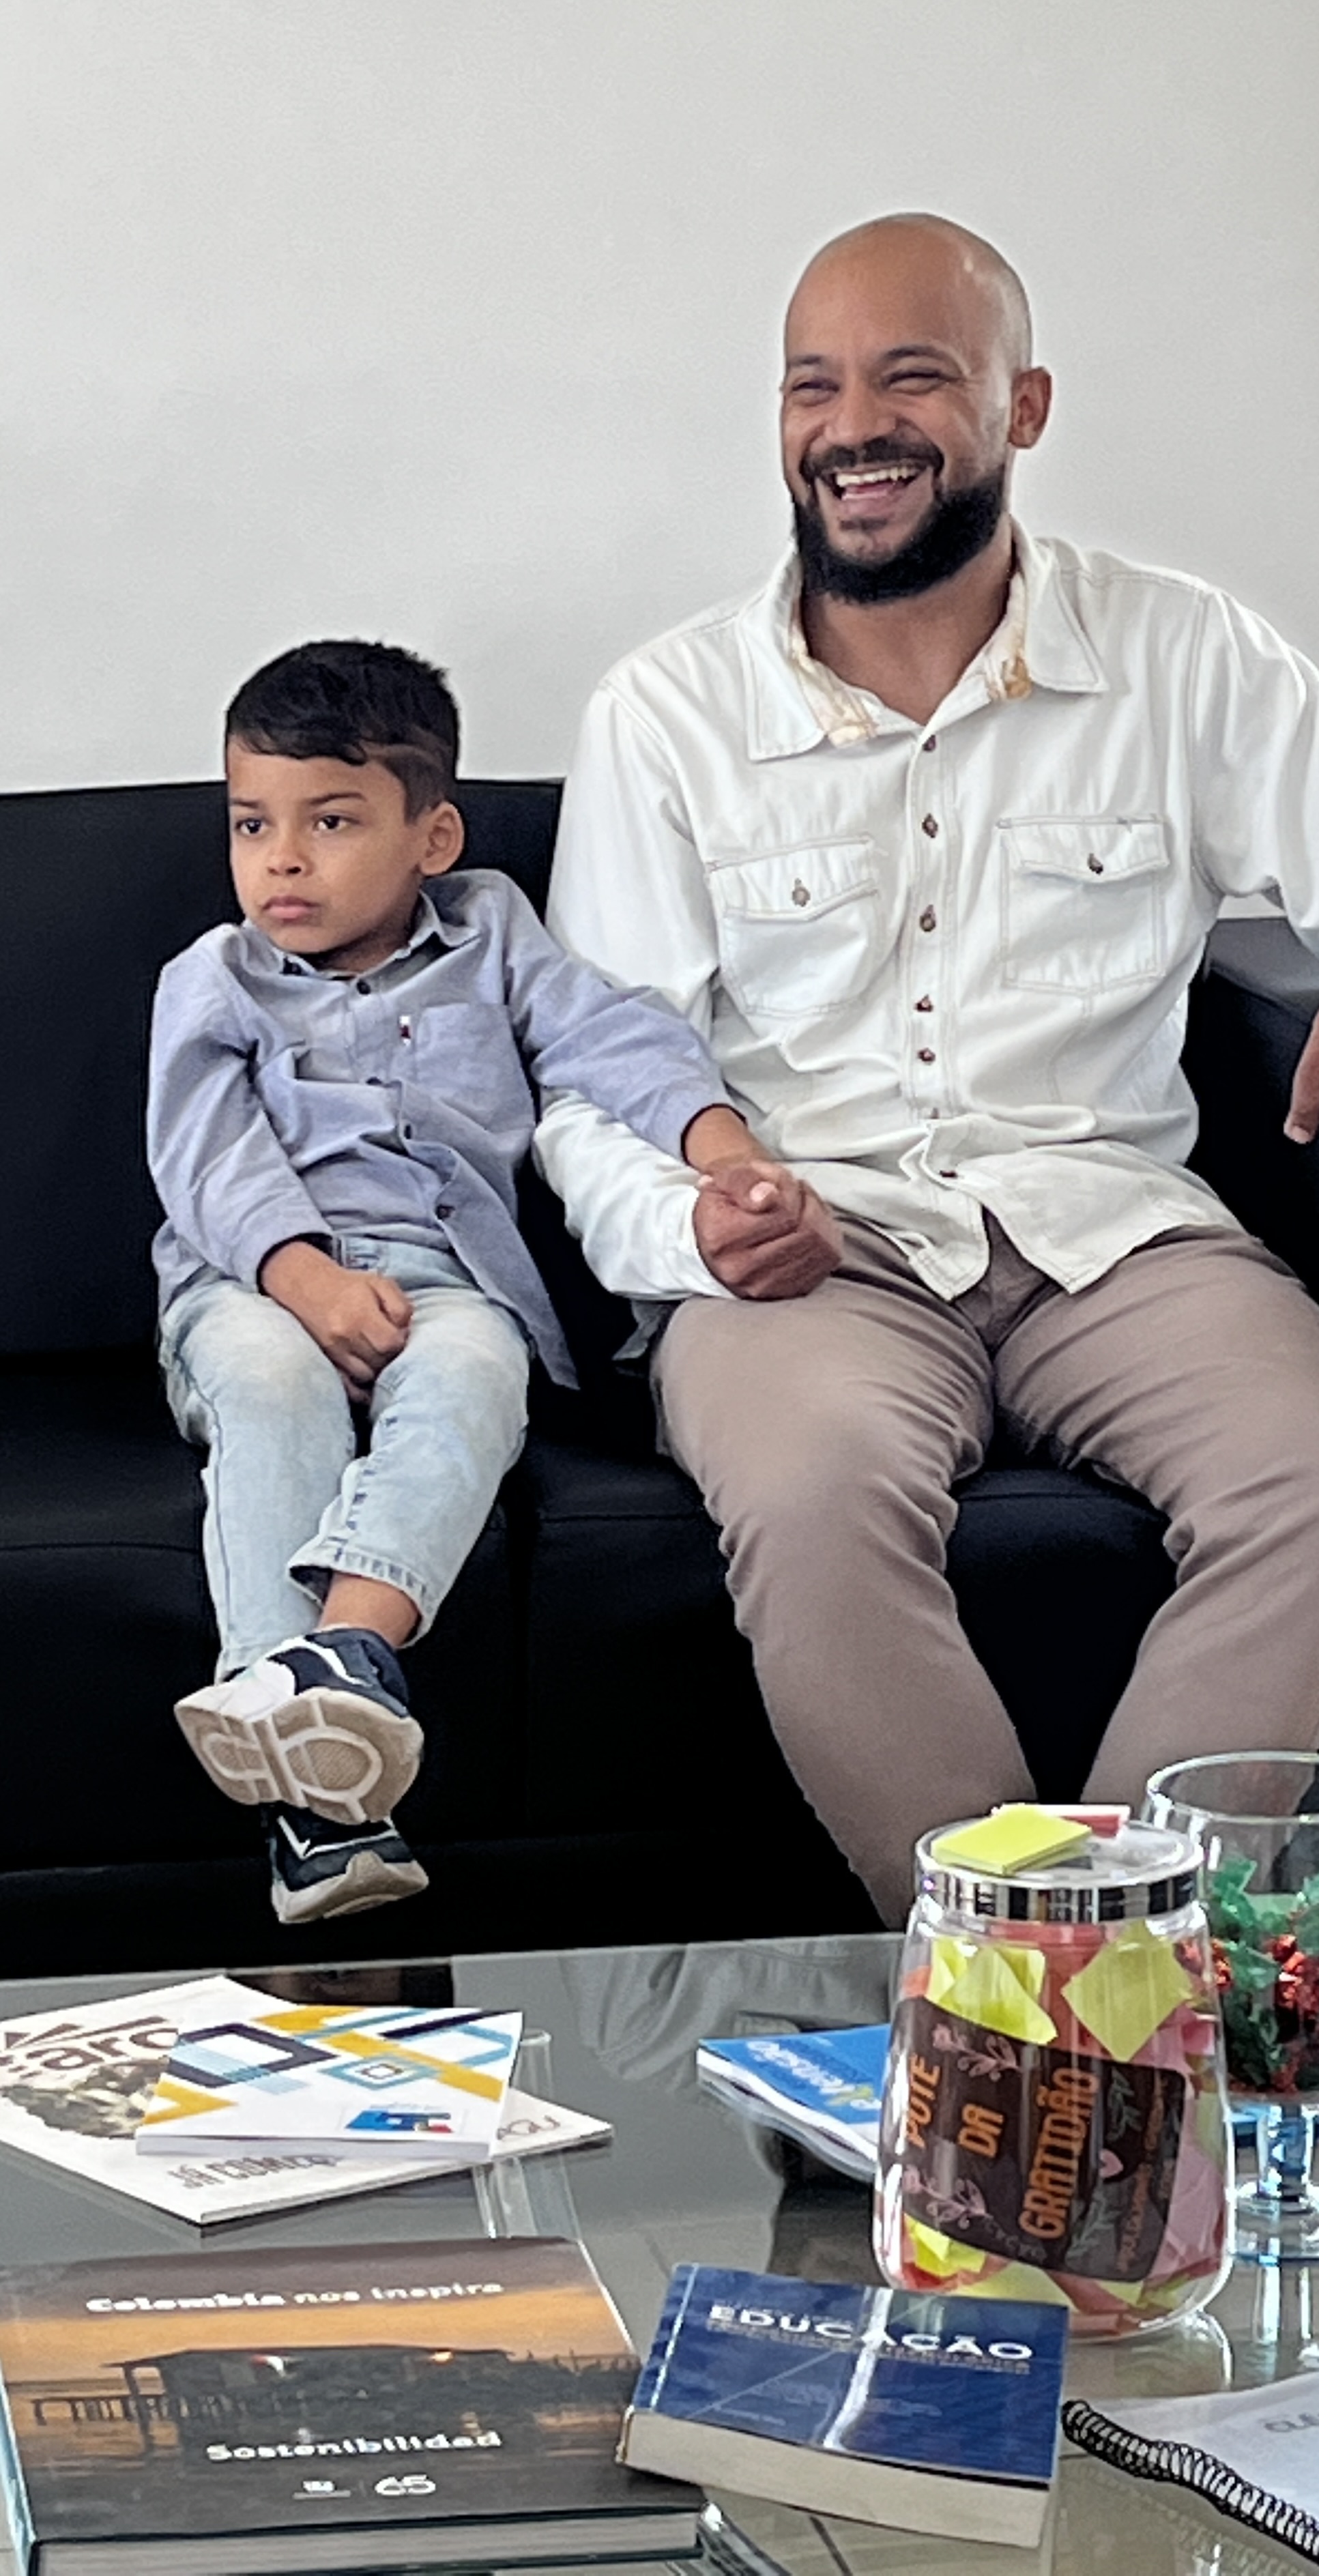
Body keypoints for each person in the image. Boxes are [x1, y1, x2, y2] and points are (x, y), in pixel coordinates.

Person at [537, 212, 1319, 1926]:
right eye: (812, 387)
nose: (854, 427)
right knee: (813, 1498)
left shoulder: (1183, 656)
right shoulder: (667, 711)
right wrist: (690, 1227)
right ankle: (1035, 1990)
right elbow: (594, 1074)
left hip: (1114, 1232)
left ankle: (1107, 1961)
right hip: (816, 1250)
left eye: (911, 377)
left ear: (1023, 407)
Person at [148, 637, 768, 1925]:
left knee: (480, 1374)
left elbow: (613, 1039)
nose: (282, 860)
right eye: (253, 824)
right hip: (251, 1281)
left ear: (433, 837)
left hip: (446, 1279)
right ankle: (318, 1803)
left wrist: (723, 1151)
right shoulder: (213, 978)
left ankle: (343, 1654)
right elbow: (203, 1155)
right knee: (272, 1383)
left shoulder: (491, 932)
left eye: (329, 822)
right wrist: (305, 1280)